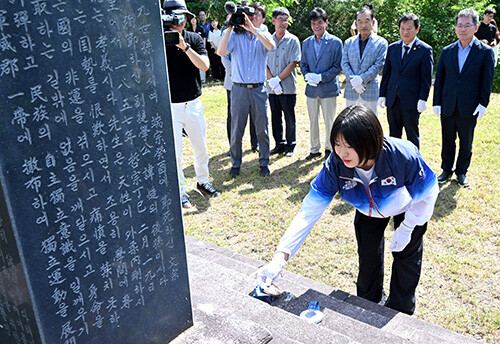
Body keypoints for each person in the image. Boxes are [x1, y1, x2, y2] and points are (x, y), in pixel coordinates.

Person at [256, 105, 439, 315]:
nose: (342, 153)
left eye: (349, 146)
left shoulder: (403, 156)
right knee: (368, 260)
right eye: (337, 144)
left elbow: (428, 194)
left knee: (406, 260)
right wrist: (280, 258)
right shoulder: (335, 165)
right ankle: (369, 307)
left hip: (408, 208)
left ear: (370, 142)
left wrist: (407, 227)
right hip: (367, 210)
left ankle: (400, 313)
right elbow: (309, 210)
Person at [163, 0, 221, 208]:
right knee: (176, 153)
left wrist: (184, 46)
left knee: (201, 147)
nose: (180, 21)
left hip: (194, 102)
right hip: (171, 106)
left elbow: (204, 66)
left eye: (183, 16)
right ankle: (180, 193)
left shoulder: (194, 38)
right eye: (175, 16)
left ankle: (203, 181)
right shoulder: (158, 40)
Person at [433, 8, 495, 187]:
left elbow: (487, 80)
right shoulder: (447, 51)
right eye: (459, 25)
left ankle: (461, 172)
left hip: (470, 105)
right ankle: (446, 169)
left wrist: (483, 104)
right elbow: (440, 79)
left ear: (476, 28)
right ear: (455, 28)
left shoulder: (484, 52)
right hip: (448, 103)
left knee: (466, 141)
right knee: (447, 139)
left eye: (467, 25)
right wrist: (437, 102)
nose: (463, 29)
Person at [218, 2, 276, 178]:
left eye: (256, 15)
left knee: (262, 128)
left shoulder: (264, 34)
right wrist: (229, 27)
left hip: (259, 89)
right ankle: (235, 163)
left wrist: (253, 29)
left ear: (262, 19)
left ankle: (264, 162)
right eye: (249, 16)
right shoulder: (236, 35)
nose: (251, 19)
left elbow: (271, 47)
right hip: (239, 89)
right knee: (237, 129)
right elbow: (221, 52)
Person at [379, 13, 433, 149]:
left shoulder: (425, 50)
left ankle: (414, 164)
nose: (405, 32)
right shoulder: (392, 48)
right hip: (393, 100)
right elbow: (387, 74)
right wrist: (382, 94)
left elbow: (426, 78)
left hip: (411, 101)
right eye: (402, 28)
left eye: (409, 28)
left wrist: (423, 98)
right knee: (393, 136)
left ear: (417, 29)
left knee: (412, 136)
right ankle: (394, 162)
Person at [300, 7, 343, 160]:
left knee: (329, 120)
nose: (316, 26)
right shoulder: (306, 43)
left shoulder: (335, 42)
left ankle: (330, 149)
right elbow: (303, 64)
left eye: (319, 22)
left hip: (329, 88)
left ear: (326, 22)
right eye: (313, 23)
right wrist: (307, 76)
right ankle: (314, 149)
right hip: (311, 89)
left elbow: (338, 66)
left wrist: (321, 77)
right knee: (313, 121)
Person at [266, 7, 301, 157]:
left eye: (286, 19)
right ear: (273, 20)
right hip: (272, 87)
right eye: (280, 19)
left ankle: (290, 144)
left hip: (287, 87)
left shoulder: (293, 40)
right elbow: (263, 62)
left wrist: (278, 79)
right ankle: (278, 144)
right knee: (275, 117)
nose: (283, 23)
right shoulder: (267, 39)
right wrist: (271, 81)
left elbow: (293, 62)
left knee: (289, 117)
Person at [342, 7, 387, 116]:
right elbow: (344, 63)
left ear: (372, 22)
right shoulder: (348, 42)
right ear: (356, 24)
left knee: (370, 125)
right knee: (350, 125)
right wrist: (353, 80)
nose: (363, 25)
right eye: (360, 22)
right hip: (351, 91)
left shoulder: (381, 43)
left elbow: (378, 65)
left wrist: (362, 79)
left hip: (370, 91)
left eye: (367, 21)